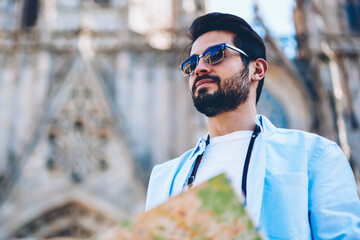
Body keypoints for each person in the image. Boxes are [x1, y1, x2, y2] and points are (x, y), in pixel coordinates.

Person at [145, 12, 360, 239]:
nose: (199, 68)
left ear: (257, 70)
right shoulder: (164, 178)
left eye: (215, 55)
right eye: (191, 63)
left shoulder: (314, 155)